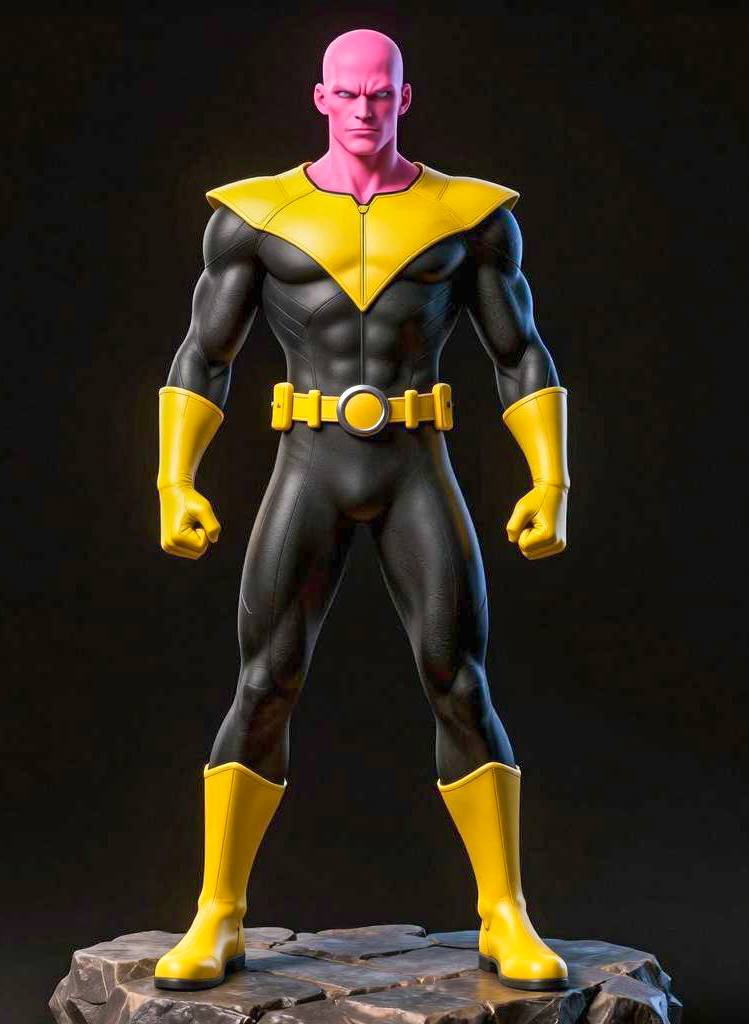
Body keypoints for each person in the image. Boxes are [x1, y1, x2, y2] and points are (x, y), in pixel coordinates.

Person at [153, 28, 570, 993]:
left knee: (459, 682)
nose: (363, 109)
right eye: (347, 92)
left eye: (380, 93)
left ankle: (505, 911)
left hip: (415, 462)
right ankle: (218, 912)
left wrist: (551, 480)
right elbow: (203, 353)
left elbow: (519, 351)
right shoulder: (256, 215)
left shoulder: (467, 215)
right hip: (309, 462)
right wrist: (174, 479)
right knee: (264, 683)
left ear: (404, 98)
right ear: (320, 97)